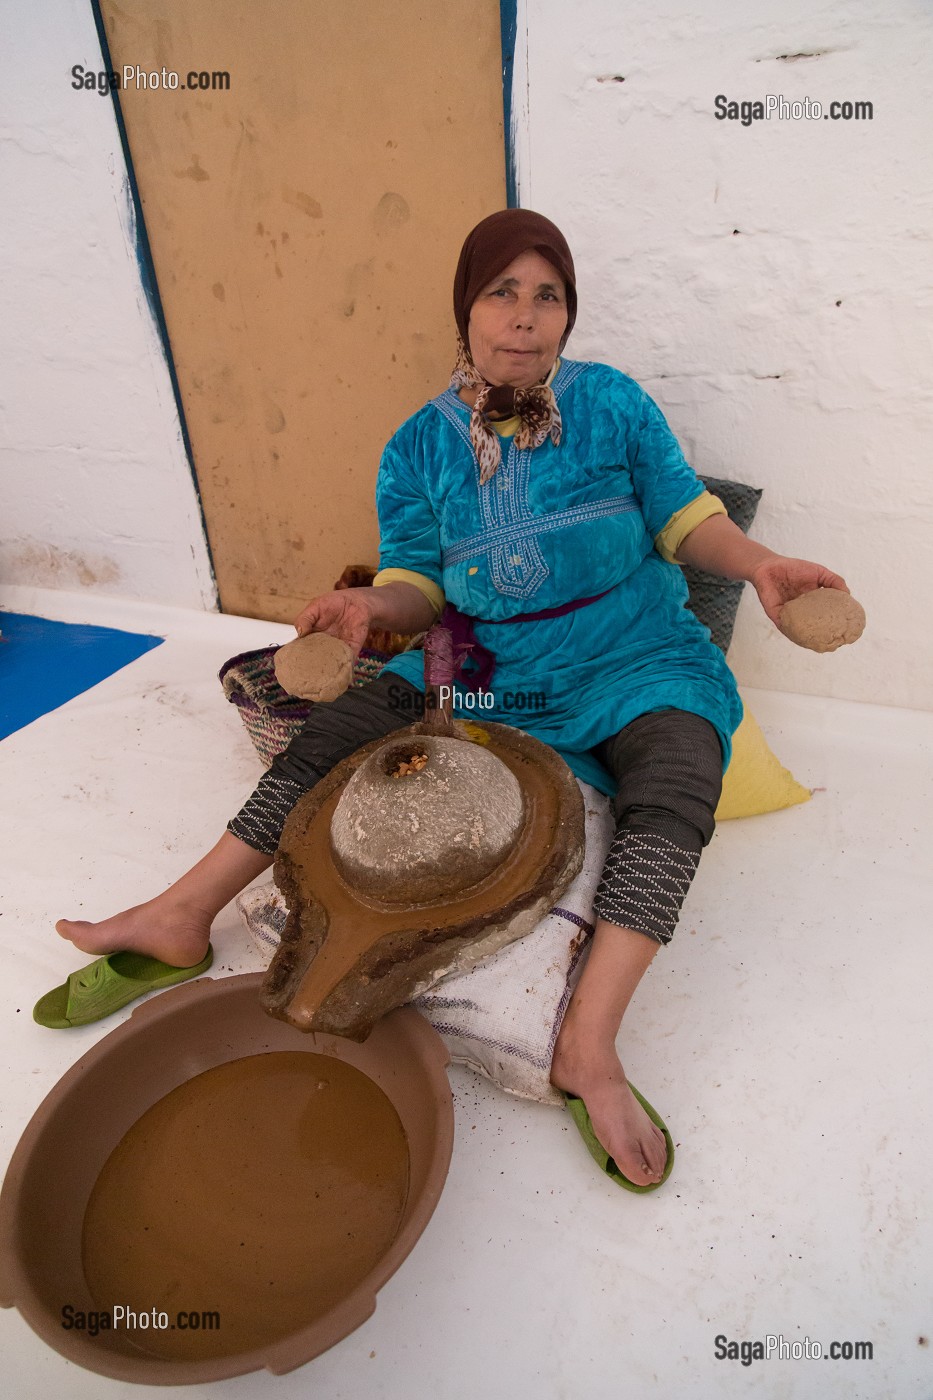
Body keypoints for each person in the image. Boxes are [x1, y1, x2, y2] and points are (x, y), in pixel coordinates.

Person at [57, 209, 848, 1187]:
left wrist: (762, 564)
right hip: (485, 659)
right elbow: (417, 586)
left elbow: (688, 523)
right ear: (465, 310)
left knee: (682, 769)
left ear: (568, 312)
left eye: (546, 294)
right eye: (501, 293)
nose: (524, 318)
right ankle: (182, 914)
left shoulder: (613, 404)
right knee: (336, 733)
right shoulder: (416, 449)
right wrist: (366, 609)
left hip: (630, 648)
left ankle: (585, 1045)